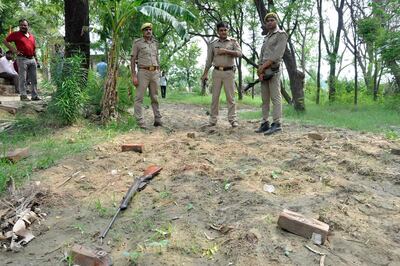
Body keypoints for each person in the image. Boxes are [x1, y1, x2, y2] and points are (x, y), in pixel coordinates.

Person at [201, 21, 242, 128]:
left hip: (229, 72)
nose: (223, 32)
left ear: (228, 30)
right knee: (215, 98)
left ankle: (233, 120)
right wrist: (205, 73)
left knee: (231, 98)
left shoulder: (233, 42)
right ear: (218, 31)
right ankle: (213, 120)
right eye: (221, 30)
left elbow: (239, 54)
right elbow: (209, 60)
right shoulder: (213, 44)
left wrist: (226, 51)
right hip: (216, 72)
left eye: (225, 30)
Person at [255, 13, 288, 135]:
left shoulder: (281, 35)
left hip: (273, 70)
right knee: (264, 99)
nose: (269, 22)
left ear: (276, 21)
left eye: (272, 20)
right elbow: (262, 55)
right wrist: (260, 70)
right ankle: (264, 123)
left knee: (275, 97)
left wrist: (263, 67)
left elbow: (277, 55)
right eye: (267, 20)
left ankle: (277, 124)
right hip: (263, 71)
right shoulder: (266, 37)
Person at [131, 22, 162, 129]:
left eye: (150, 29)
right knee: (139, 97)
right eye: (146, 29)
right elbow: (133, 59)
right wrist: (134, 75)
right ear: (142, 32)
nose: (148, 31)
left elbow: (157, 57)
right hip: (143, 72)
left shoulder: (155, 43)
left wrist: (159, 71)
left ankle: (157, 119)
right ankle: (140, 122)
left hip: (155, 73)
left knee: (155, 97)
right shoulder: (137, 43)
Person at [3, 19, 40, 101]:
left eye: (25, 25)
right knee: (22, 78)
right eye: (21, 25)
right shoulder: (16, 34)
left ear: (28, 26)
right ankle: (23, 96)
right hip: (22, 59)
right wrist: (14, 51)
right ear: (19, 26)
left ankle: (34, 96)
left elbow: (34, 49)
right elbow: (5, 41)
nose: (23, 26)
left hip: (32, 59)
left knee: (34, 79)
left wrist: (36, 60)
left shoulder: (31, 36)